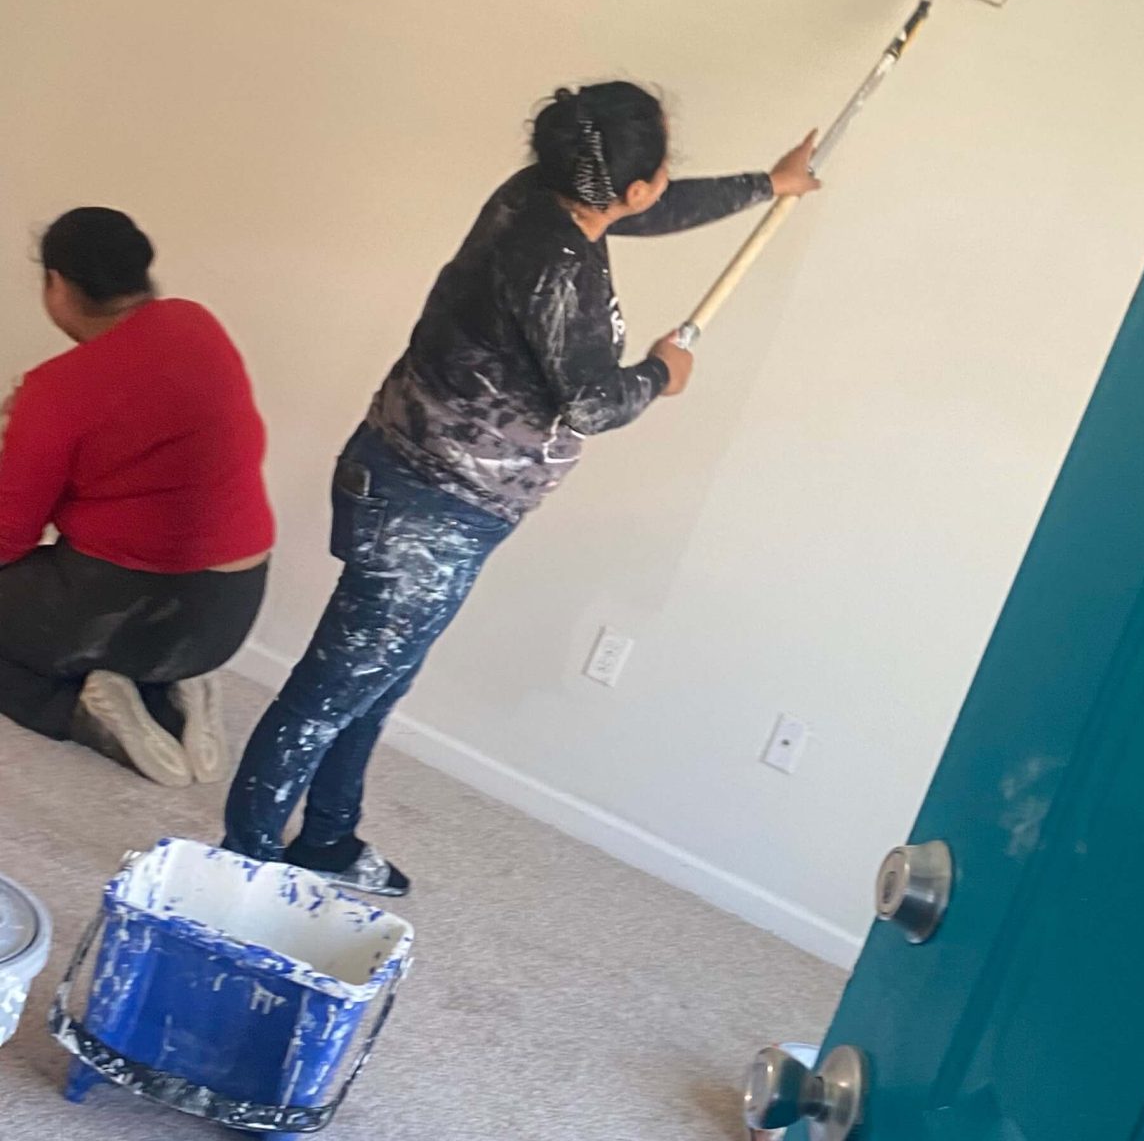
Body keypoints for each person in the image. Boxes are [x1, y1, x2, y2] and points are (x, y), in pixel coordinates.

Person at [221, 81, 819, 898]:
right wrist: (661, 374)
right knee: (330, 694)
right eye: (660, 170)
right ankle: (237, 872)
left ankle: (326, 838)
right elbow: (592, 401)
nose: (664, 182)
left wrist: (767, 186)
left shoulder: (537, 197)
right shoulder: (558, 266)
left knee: (379, 679)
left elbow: (654, 209)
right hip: (426, 511)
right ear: (628, 185)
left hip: (422, 489)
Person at [0, 208, 273, 784]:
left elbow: (9, 534)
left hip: (122, 611)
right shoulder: (196, 324)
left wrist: (23, 432)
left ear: (57, 285)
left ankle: (78, 711)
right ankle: (169, 691)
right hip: (230, 612)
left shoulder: (57, 390)